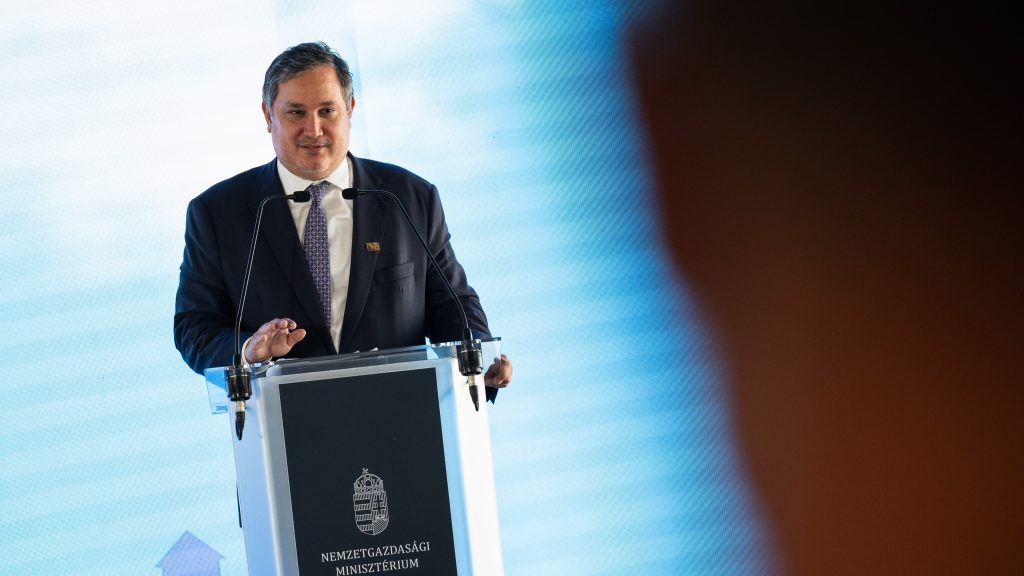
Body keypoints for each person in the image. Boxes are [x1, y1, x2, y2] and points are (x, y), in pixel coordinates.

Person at [174, 41, 511, 398]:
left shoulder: (408, 197)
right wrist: (248, 349)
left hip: (404, 413)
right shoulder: (217, 213)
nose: (313, 129)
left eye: (327, 111)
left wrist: (480, 356)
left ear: (349, 109)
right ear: (268, 116)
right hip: (285, 420)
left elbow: (451, 304)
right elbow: (194, 327)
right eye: (296, 113)